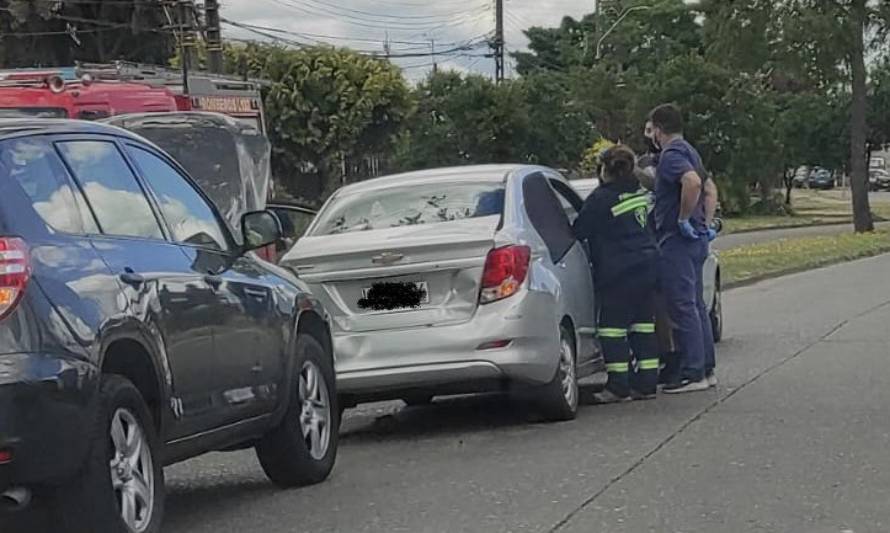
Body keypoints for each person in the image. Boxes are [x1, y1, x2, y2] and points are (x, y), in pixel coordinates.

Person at [574, 145, 660, 403]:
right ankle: (647, 384)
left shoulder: (602, 199)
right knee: (643, 326)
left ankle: (618, 386)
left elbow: (579, 230)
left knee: (612, 330)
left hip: (619, 272)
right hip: (647, 267)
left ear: (604, 170)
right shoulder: (639, 192)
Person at [649, 103, 719, 394]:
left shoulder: (671, 155)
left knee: (682, 306)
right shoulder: (691, 151)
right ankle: (706, 368)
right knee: (697, 305)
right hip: (697, 239)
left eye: (651, 129)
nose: (650, 135)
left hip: (677, 240)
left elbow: (691, 183)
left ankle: (693, 373)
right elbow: (709, 188)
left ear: (660, 130)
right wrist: (706, 222)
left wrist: (682, 217)